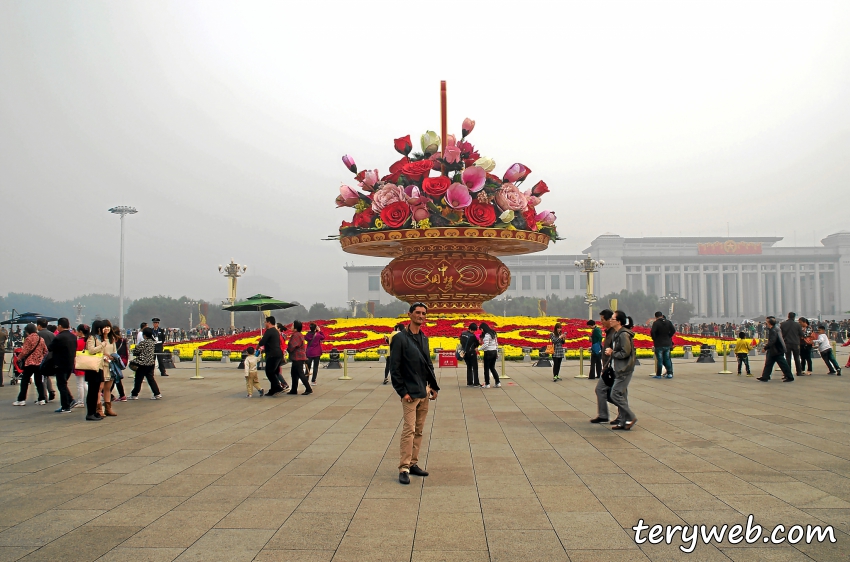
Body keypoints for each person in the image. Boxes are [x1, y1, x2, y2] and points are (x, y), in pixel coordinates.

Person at [389, 302, 439, 485]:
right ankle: (404, 467)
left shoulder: (424, 338)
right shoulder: (400, 338)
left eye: (423, 313)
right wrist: (402, 392)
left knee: (419, 430)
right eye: (417, 312)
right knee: (409, 430)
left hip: (424, 391)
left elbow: (428, 364)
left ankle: (413, 463)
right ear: (409, 314)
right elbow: (395, 368)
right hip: (410, 393)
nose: (421, 316)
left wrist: (433, 386)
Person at [607, 311, 637, 430]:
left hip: (624, 369)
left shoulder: (624, 335)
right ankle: (624, 422)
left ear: (619, 321)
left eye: (613, 319)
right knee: (622, 395)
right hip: (618, 368)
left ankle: (631, 416)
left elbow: (626, 352)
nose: (610, 320)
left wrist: (612, 352)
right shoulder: (617, 334)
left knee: (615, 394)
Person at [590, 310, 617, 424]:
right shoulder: (609, 332)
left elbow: (619, 351)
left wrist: (605, 368)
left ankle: (625, 413)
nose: (601, 322)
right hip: (608, 367)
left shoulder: (615, 333)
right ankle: (604, 414)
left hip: (613, 368)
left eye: (602, 319)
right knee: (607, 392)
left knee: (608, 392)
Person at [88, 320, 119, 416]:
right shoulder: (98, 339)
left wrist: (113, 357)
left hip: (110, 366)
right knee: (99, 388)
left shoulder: (112, 339)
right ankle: (99, 408)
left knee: (108, 388)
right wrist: (104, 356)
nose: (107, 329)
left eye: (108, 327)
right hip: (101, 365)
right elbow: (93, 351)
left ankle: (108, 408)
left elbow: (115, 351)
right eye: (105, 327)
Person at [12, 324, 47, 406]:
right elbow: (45, 350)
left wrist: (19, 358)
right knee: (38, 381)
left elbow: (24, 351)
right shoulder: (40, 339)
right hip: (39, 363)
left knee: (24, 381)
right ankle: (42, 399)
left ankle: (21, 399)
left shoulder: (28, 339)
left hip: (30, 363)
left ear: (28, 331)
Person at [48, 318, 77, 413]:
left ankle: (65, 406)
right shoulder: (73, 336)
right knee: (63, 384)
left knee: (61, 385)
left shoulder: (59, 337)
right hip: (70, 364)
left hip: (60, 364)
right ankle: (71, 400)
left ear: (60, 326)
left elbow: (50, 348)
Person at [757, 316, 794, 382]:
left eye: (767, 322)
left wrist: (765, 348)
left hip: (777, 350)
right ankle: (765, 377)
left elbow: (772, 340)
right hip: (774, 350)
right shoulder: (774, 329)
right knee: (769, 363)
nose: (766, 323)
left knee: (783, 364)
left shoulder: (773, 330)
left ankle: (790, 377)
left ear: (769, 323)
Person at [130, 327, 162, 399]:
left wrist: (135, 349)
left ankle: (134, 394)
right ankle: (157, 393)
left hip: (142, 363)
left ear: (144, 335)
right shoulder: (152, 342)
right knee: (151, 379)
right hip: (150, 363)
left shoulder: (143, 343)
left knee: (138, 379)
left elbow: (136, 351)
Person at [257, 317, 286, 396]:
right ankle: (273, 390)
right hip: (278, 353)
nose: (264, 324)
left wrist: (258, 345)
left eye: (265, 322)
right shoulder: (275, 331)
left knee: (269, 372)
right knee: (274, 371)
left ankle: (278, 387)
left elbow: (262, 342)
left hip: (272, 354)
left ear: (269, 322)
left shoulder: (269, 331)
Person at [286, 320, 312, 395]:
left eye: (292, 325)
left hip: (298, 357)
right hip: (297, 357)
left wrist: (288, 349)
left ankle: (308, 389)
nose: (291, 326)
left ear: (296, 327)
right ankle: (294, 389)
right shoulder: (299, 334)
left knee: (300, 373)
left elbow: (292, 346)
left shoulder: (296, 335)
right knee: (294, 373)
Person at [36, 318, 57, 402]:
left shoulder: (38, 335)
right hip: (51, 357)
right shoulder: (52, 334)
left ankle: (44, 396)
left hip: (42, 358)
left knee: (41, 377)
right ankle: (51, 390)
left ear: (39, 325)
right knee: (46, 375)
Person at [650, 311, 676, 379]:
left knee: (660, 360)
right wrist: (669, 336)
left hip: (659, 343)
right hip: (667, 343)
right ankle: (670, 373)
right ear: (662, 315)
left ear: (656, 317)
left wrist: (655, 338)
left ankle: (658, 374)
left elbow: (652, 332)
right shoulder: (668, 322)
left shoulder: (656, 323)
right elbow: (673, 330)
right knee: (667, 359)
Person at [780, 312, 803, 377]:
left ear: (788, 316)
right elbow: (801, 334)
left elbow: (781, 334)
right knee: (797, 358)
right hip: (795, 343)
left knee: (788, 358)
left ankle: (787, 373)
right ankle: (799, 372)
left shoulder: (783, 324)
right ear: (794, 317)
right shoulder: (797, 325)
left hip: (786, 343)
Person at [479, 322, 500, 388]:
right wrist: (496, 352)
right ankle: (498, 382)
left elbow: (486, 345)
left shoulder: (487, 335)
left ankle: (487, 384)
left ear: (483, 328)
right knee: (492, 368)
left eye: (481, 329)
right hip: (494, 352)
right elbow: (496, 344)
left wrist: (478, 349)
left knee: (486, 369)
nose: (481, 331)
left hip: (488, 353)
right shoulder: (493, 333)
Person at [111, 326, 129, 401]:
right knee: (117, 377)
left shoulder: (113, 341)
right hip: (121, 360)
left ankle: (107, 393)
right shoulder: (123, 340)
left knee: (114, 377)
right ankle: (122, 395)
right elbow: (126, 351)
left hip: (114, 360)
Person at [276, 323, 290, 391]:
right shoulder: (281, 335)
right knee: (277, 370)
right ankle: (282, 384)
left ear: (278, 328)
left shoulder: (279, 336)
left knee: (276, 371)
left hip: (278, 354)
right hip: (280, 354)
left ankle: (284, 384)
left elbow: (281, 345)